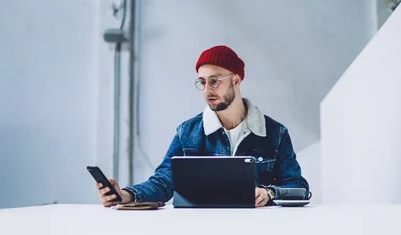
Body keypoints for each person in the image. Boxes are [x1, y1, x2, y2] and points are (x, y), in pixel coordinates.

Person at [97, 45, 309, 207]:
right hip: (200, 234)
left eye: (215, 80)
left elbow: (299, 187)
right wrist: (123, 195)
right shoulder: (187, 133)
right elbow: (163, 182)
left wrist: (269, 192)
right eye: (202, 82)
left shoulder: (275, 134)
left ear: (236, 80)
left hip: (256, 232)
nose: (207, 90)